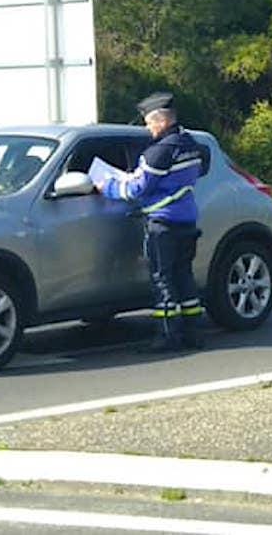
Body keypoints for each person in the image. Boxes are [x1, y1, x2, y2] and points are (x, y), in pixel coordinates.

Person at [97, 92, 211, 351]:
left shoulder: (159, 152)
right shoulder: (190, 145)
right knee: (184, 276)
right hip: (187, 222)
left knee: (163, 278)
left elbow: (138, 189)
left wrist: (108, 187)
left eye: (149, 123)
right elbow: (202, 167)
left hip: (163, 224)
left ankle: (168, 334)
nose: (148, 128)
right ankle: (194, 332)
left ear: (161, 121)